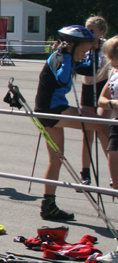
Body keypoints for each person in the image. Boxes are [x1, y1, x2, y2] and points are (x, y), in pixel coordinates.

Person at [33, 25, 99, 221]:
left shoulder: (67, 56)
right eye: (83, 50)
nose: (84, 54)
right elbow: (62, 80)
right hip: (51, 110)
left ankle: (48, 205)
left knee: (56, 159)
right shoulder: (60, 57)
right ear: (72, 45)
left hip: (52, 110)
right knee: (104, 124)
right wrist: (69, 57)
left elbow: (90, 70)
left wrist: (94, 55)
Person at [76, 16, 111, 187]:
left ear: (102, 32)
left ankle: (114, 172)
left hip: (103, 87)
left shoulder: (107, 47)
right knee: (87, 133)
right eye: (86, 30)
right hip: (87, 89)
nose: (87, 34)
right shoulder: (83, 45)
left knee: (104, 131)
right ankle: (85, 173)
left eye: (91, 31)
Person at [95, 36, 118, 263]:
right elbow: (101, 99)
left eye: (110, 57)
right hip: (116, 128)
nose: (109, 61)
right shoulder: (114, 74)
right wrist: (113, 105)